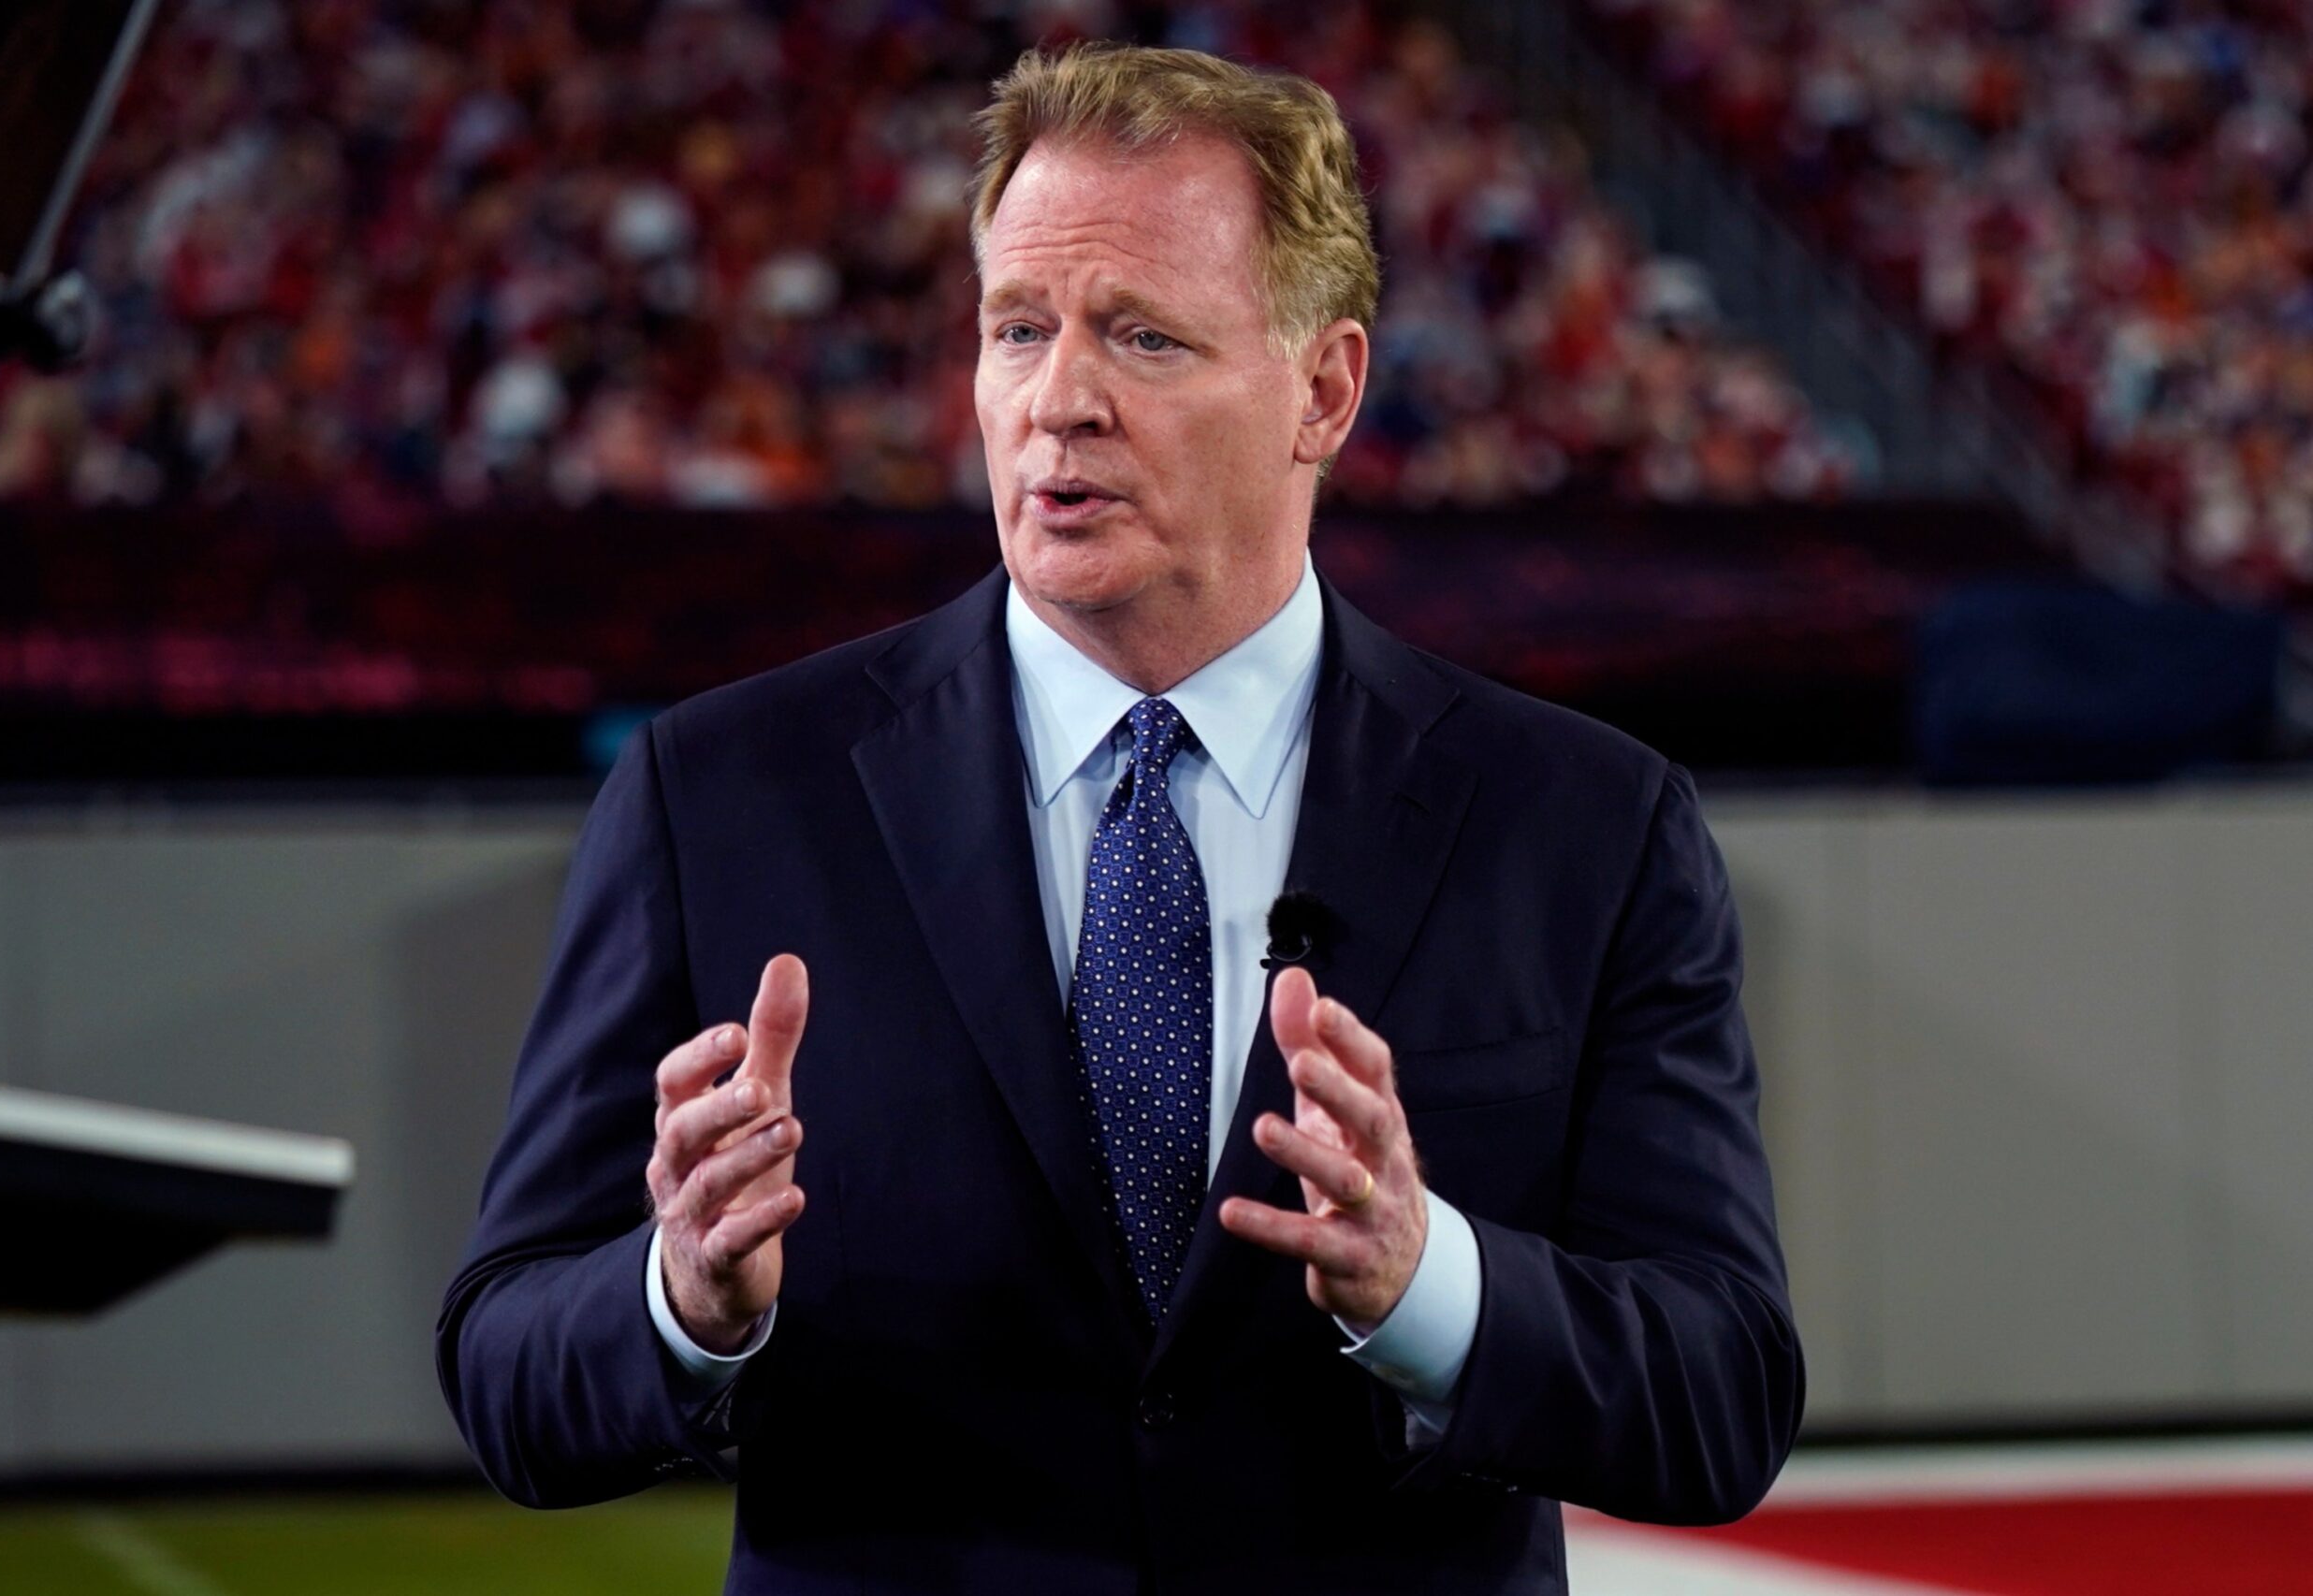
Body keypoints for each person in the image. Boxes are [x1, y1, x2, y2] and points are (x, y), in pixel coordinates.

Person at [437, 43, 1801, 1595]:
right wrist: (682, 1300)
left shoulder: (1584, 826)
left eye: (1143, 337)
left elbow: (1720, 1392)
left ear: (1325, 390)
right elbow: (507, 1365)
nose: (1059, 402)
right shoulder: (723, 796)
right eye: (1018, 328)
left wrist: (1433, 1285)